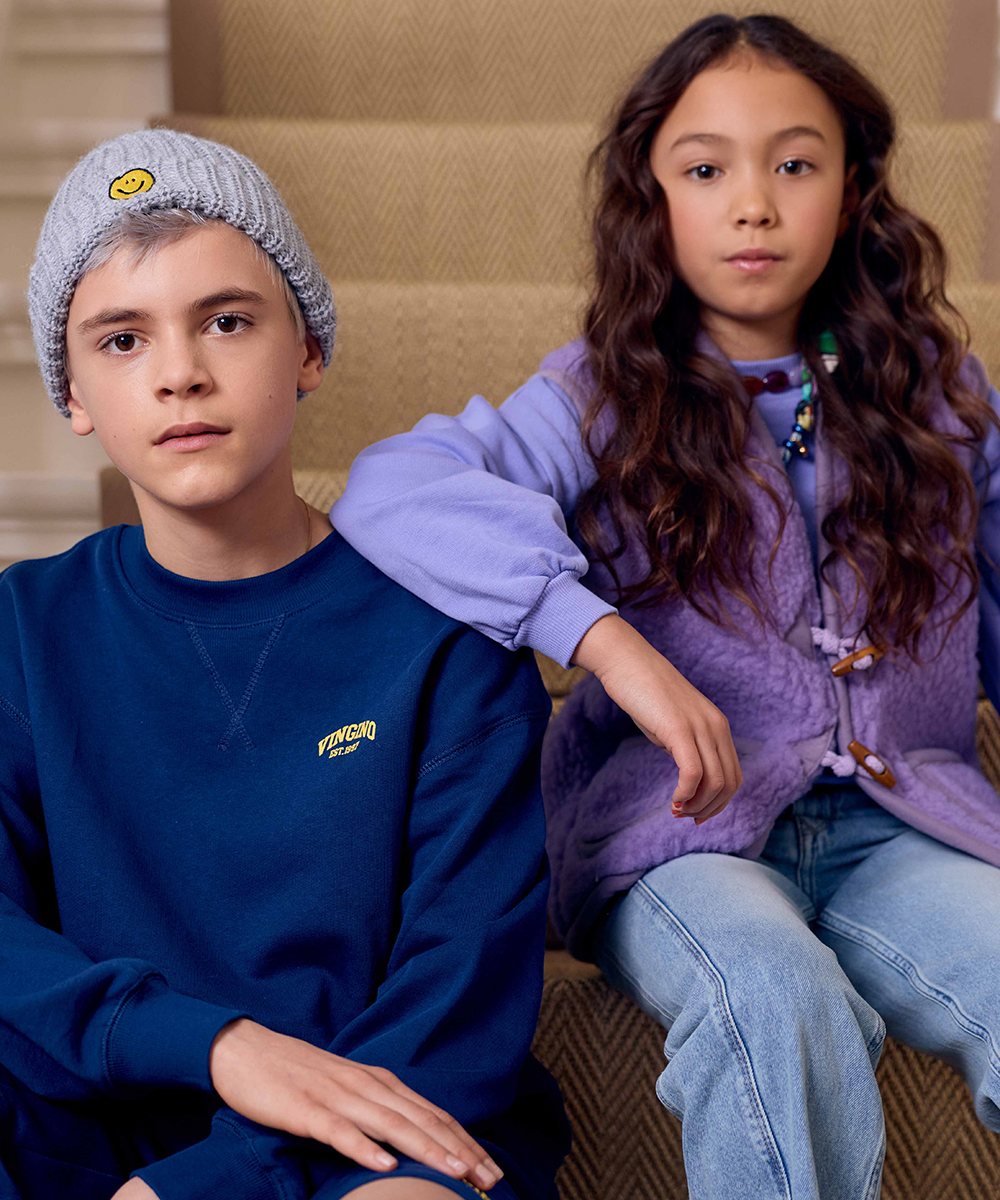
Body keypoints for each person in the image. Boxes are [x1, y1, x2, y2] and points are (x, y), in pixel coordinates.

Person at [331, 14, 1000, 1199]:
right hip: (678, 838)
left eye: (794, 163)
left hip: (907, 827)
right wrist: (602, 641)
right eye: (704, 170)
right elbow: (393, 489)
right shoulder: (598, 396)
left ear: (852, 191)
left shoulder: (940, 402)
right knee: (771, 993)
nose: (753, 204)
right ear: (653, 198)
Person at [0, 128, 569, 1200]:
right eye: (121, 340)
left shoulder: (449, 637)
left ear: (307, 349)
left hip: (372, 1130)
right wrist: (218, 1048)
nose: (180, 374)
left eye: (226, 321)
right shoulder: (24, 627)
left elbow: (456, 1003)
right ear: (71, 393)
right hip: (90, 1115)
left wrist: (209, 1182)